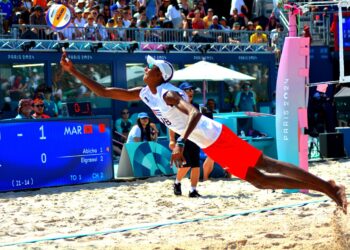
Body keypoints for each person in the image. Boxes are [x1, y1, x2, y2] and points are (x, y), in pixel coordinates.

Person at [60, 53, 347, 214]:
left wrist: (182, 142)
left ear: (158, 75)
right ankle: (328, 187)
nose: (145, 69)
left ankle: (329, 188)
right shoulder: (145, 93)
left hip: (215, 135)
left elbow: (194, 114)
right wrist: (74, 70)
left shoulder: (169, 94)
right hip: (209, 143)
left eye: (150, 67)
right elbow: (102, 91)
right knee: (259, 181)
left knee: (265, 165)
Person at [170, 82, 201, 197]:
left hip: (195, 137)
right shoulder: (176, 106)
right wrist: (172, 139)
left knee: (196, 165)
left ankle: (193, 190)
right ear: (181, 92)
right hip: (181, 139)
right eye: (187, 90)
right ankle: (177, 183)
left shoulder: (197, 107)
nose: (191, 91)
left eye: (192, 89)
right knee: (186, 165)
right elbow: (171, 125)